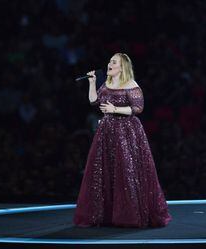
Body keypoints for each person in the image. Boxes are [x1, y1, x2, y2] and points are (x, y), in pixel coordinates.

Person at [73, 53, 172, 228]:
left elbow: (138, 108)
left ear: (122, 67)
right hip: (107, 132)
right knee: (105, 170)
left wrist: (115, 109)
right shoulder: (107, 84)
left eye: (113, 62)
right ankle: (106, 214)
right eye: (109, 61)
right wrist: (92, 82)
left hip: (127, 132)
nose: (109, 64)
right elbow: (94, 101)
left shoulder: (131, 85)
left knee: (126, 170)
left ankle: (129, 215)